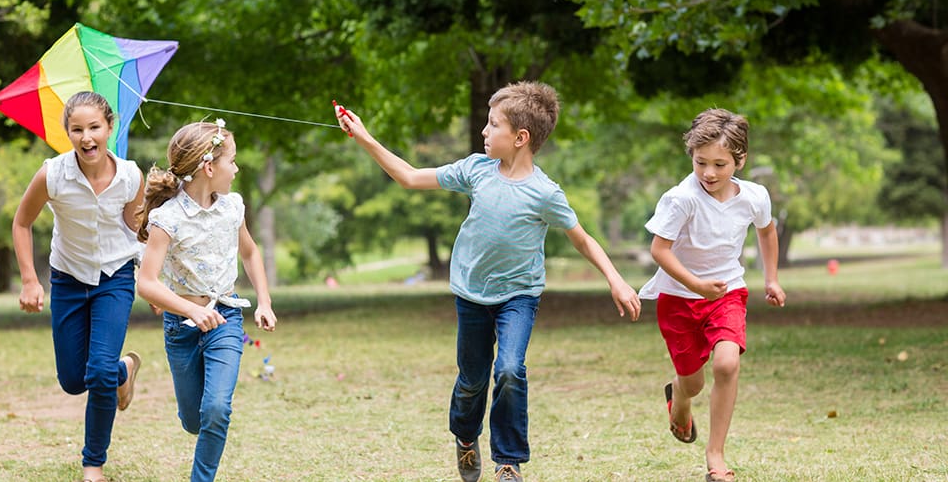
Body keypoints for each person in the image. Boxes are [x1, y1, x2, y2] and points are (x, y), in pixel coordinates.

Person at [335, 82, 641, 482]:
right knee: (472, 379)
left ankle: (508, 462)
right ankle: (465, 438)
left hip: (519, 295)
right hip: (471, 294)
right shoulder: (475, 170)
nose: (483, 131)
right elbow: (410, 177)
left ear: (520, 138)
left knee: (510, 370)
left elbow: (581, 238)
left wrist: (615, 280)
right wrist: (364, 138)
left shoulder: (545, 192)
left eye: (492, 124)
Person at [639, 108, 787, 482]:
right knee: (694, 382)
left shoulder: (754, 196)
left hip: (727, 293)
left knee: (726, 364)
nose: (708, 172)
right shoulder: (681, 198)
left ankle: (716, 455)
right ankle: (680, 397)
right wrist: (695, 286)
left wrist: (771, 279)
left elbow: (767, 233)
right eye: (700, 162)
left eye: (720, 164)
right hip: (678, 299)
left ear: (740, 160)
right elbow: (660, 250)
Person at [11, 91, 144, 482]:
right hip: (68, 279)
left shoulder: (130, 176)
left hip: (115, 278)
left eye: (94, 128)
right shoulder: (52, 174)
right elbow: (21, 223)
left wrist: (154, 278)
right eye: (77, 129)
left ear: (110, 128)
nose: (87, 137)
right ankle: (125, 371)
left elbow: (137, 228)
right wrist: (30, 280)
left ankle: (93, 464)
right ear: (67, 132)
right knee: (74, 380)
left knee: (97, 373)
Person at [135, 119, 277, 482]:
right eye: (232, 161)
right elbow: (147, 285)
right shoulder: (166, 219)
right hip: (180, 328)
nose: (237, 168)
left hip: (226, 318)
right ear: (209, 167)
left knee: (216, 408)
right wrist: (191, 310)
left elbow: (250, 252)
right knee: (194, 420)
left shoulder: (233, 208)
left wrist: (263, 301)